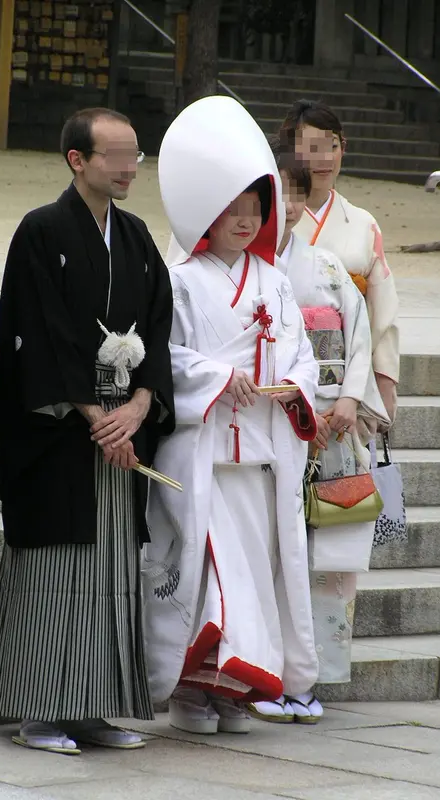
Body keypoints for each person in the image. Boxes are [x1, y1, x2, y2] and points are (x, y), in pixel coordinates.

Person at [0, 108, 174, 755]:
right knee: (58, 565)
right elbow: (38, 334)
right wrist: (95, 417)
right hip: (62, 431)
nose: (128, 168)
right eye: (115, 156)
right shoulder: (42, 230)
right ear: (77, 160)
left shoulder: (137, 237)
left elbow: (160, 329)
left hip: (122, 428)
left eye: (134, 155)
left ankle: (93, 707)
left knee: (112, 567)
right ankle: (39, 711)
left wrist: (139, 407)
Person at [142, 95, 319, 737]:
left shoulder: (275, 281)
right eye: (233, 208)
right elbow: (165, 355)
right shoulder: (181, 280)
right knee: (211, 574)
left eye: (255, 208)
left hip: (260, 456)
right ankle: (192, 692)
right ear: (205, 214)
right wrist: (219, 378)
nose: (247, 221)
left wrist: (296, 385)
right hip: (205, 450)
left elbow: (301, 353)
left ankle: (230, 691)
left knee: (251, 576)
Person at [246, 141, 390, 725]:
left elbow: (358, 338)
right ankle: (265, 671)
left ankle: (313, 679)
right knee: (268, 555)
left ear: (305, 202)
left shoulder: (327, 268)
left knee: (330, 561)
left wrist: (350, 401)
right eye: (277, 193)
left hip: (334, 427)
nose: (287, 204)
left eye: (296, 193)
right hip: (272, 426)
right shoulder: (246, 270)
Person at [279, 99, 399, 425]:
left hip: (346, 383)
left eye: (331, 146)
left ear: (343, 148)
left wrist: (384, 381)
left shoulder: (363, 224)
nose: (323, 159)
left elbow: (382, 316)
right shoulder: (274, 219)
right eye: (311, 148)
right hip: (283, 376)